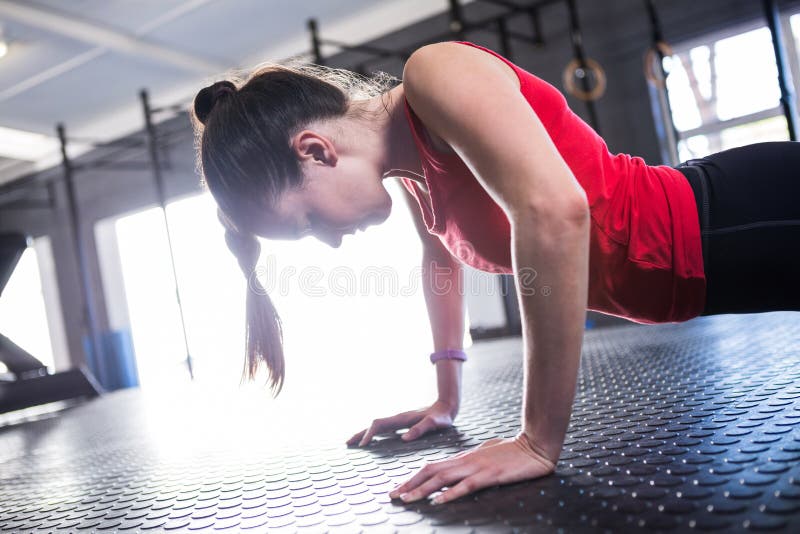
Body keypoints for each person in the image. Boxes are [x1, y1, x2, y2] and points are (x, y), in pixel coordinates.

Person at [191, 40, 800, 506]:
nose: (324, 242)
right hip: (705, 269)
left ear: (315, 151)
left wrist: (536, 440)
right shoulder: (408, 169)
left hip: (737, 219)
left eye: (303, 223)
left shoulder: (436, 73)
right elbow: (441, 261)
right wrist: (447, 396)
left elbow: (554, 210)